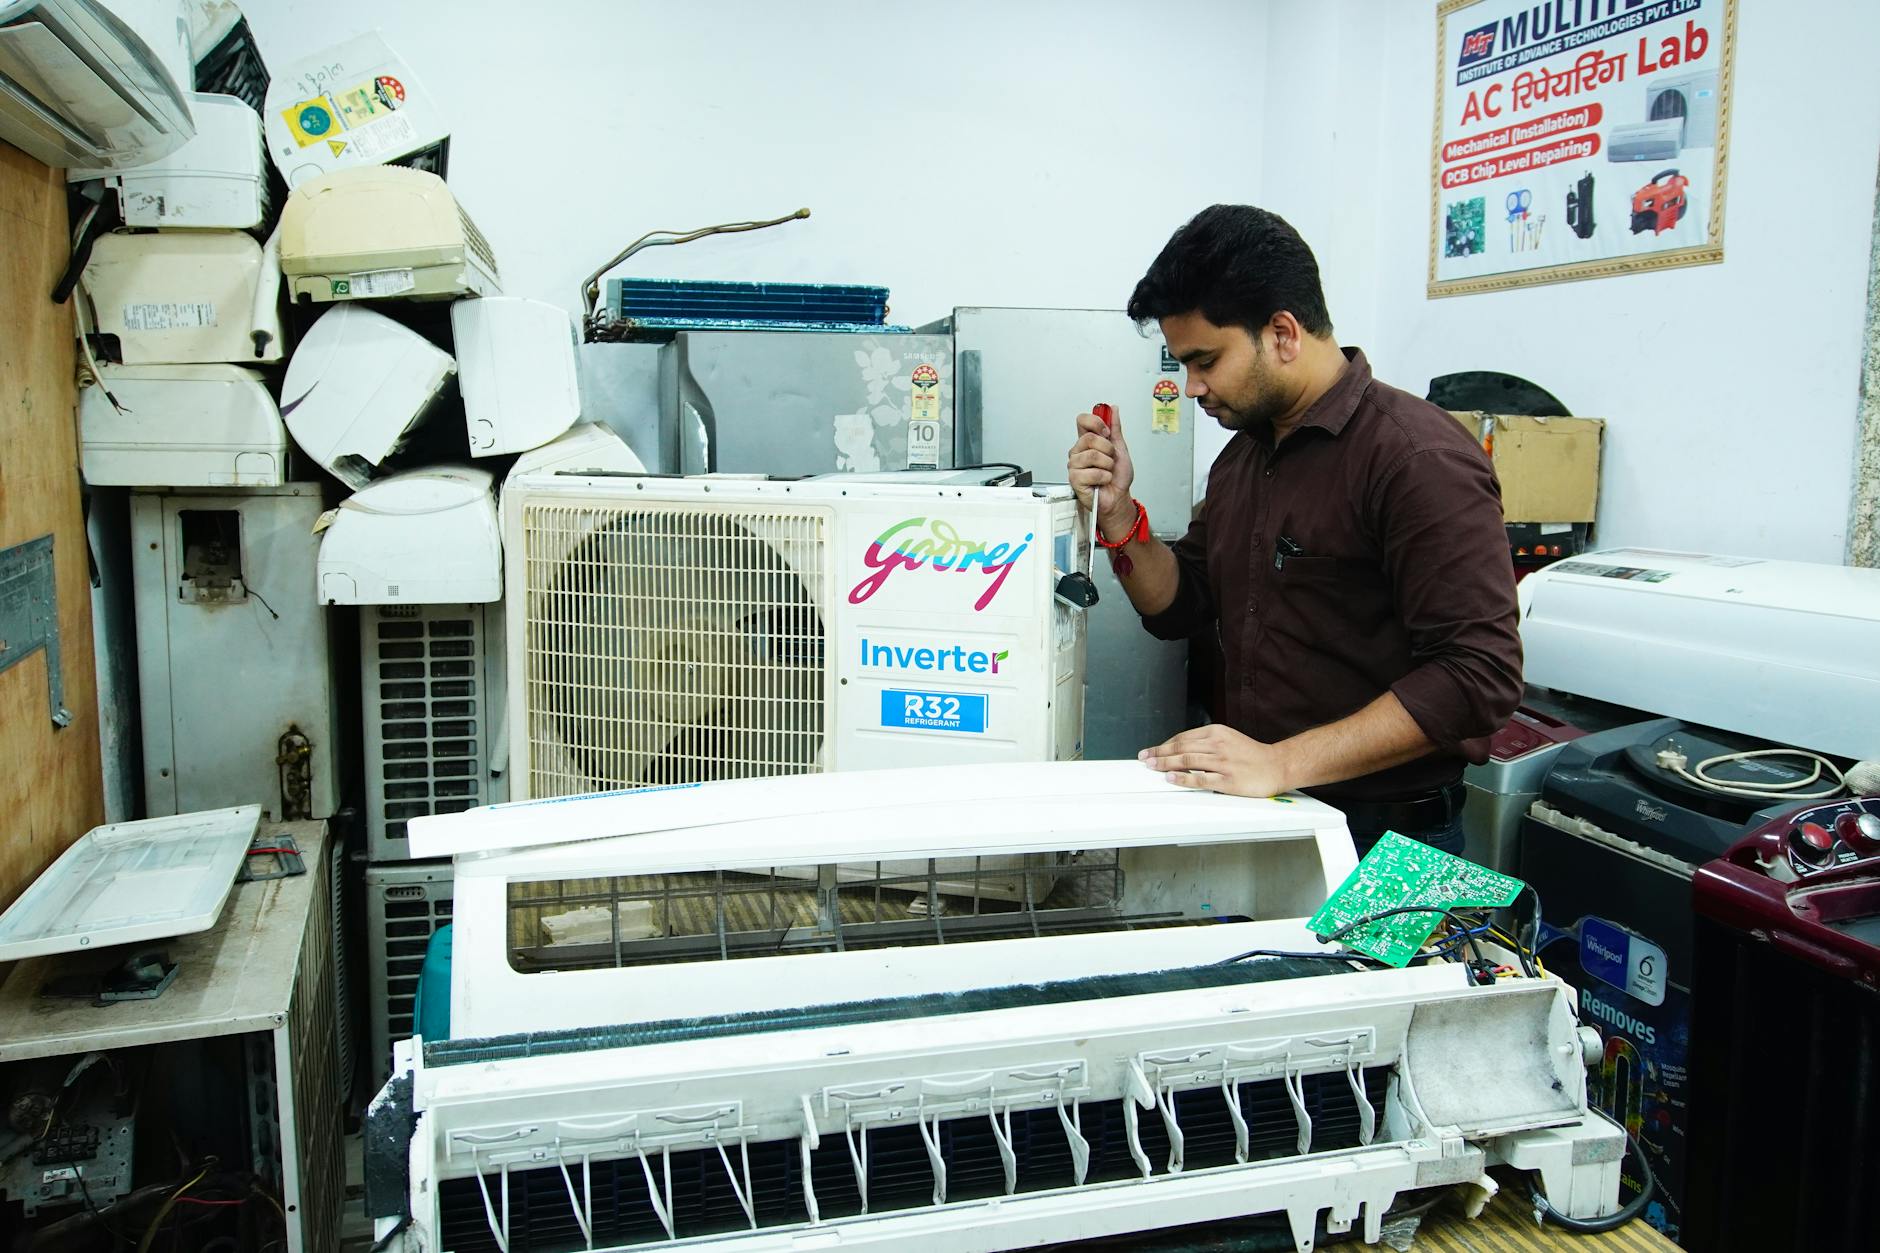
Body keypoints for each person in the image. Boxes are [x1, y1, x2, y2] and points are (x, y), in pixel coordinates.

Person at [1066, 204, 1522, 854]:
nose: (1191, 388)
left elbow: (1478, 676)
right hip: (1269, 811)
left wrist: (1280, 763)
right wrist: (1118, 514)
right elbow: (1182, 604)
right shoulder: (1244, 458)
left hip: (1387, 838)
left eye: (1205, 360)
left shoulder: (1416, 459)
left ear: (1282, 333)